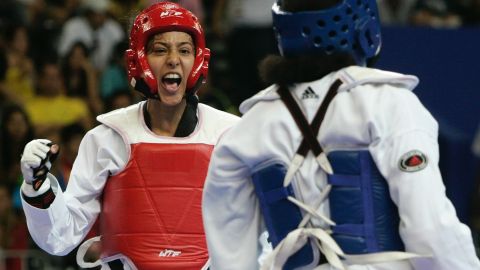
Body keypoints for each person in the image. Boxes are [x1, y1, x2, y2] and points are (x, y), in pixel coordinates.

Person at [202, 0, 480, 269]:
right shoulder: (388, 104)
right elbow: (429, 229)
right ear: (365, 27)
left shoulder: (247, 128)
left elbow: (230, 254)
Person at [19, 2, 239, 269]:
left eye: (184, 50)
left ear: (198, 60)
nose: (173, 59)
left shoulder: (230, 136)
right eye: (160, 49)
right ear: (138, 60)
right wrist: (38, 189)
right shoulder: (108, 139)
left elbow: (256, 230)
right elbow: (60, 238)